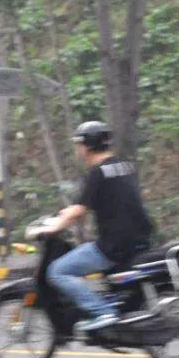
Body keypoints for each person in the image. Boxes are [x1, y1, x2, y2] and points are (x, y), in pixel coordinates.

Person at [42, 121, 155, 331]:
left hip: (113, 245)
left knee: (57, 271)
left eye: (79, 144)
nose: (78, 149)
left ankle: (102, 311)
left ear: (87, 146)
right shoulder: (125, 166)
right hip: (140, 239)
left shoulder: (98, 173)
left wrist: (53, 228)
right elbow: (131, 195)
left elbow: (79, 210)